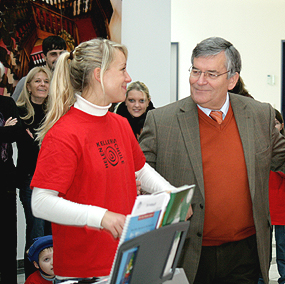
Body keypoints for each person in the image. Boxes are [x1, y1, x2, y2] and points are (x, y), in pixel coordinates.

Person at [139, 37, 285, 284]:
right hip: (188, 253)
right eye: (195, 71)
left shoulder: (257, 114)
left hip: (245, 254)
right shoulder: (162, 122)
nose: (199, 81)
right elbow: (140, 177)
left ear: (232, 79)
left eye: (211, 74)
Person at [30, 38, 179, 281]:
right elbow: (42, 202)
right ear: (99, 75)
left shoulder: (119, 123)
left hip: (124, 262)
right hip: (84, 272)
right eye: (122, 69)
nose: (128, 77)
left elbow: (140, 171)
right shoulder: (64, 133)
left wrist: (172, 194)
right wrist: (101, 217)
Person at [16, 66, 53, 279]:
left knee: (50, 232)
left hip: (52, 181)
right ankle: (33, 279)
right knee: (36, 232)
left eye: (45, 81)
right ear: (28, 86)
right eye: (37, 81)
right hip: (30, 180)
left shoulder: (54, 111)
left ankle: (50, 279)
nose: (42, 85)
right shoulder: (19, 110)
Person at [258, 109, 285, 284]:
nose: (272, 127)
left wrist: (275, 155)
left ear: (281, 125)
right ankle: (260, 279)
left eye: (275, 123)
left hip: (283, 208)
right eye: (269, 124)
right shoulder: (258, 149)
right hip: (262, 209)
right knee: (261, 251)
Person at [0, 62, 23, 283]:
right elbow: (7, 132)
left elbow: (15, 133)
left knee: (7, 239)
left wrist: (8, 130)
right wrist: (3, 130)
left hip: (5, 182)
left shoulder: (7, 103)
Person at [12, 35, 67, 101]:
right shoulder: (28, 80)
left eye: (62, 54)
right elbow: (13, 106)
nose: (59, 58)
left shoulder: (70, 79)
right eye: (53, 54)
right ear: (44, 57)